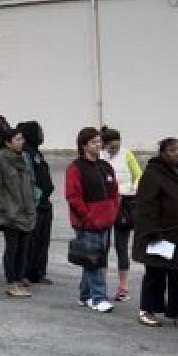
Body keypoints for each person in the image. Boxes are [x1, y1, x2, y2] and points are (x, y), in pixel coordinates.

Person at [132, 137, 178, 328]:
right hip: (161, 234)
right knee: (155, 274)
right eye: (172, 150)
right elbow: (146, 205)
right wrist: (152, 231)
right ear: (162, 153)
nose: (177, 154)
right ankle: (148, 311)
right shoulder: (153, 174)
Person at [65, 127, 120, 312]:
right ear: (83, 146)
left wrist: (113, 211)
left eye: (99, 142)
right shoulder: (75, 168)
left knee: (93, 258)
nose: (98, 145)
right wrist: (87, 217)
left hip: (106, 221)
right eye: (94, 142)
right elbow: (73, 196)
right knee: (96, 261)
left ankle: (85, 295)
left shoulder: (105, 166)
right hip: (87, 223)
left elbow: (114, 192)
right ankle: (98, 298)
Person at [0, 128, 37, 298]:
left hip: (26, 212)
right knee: (12, 249)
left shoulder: (24, 158)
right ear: (8, 143)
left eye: (22, 139)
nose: (22, 142)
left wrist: (33, 203)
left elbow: (30, 182)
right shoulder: (1, 159)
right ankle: (11, 282)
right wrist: (5, 206)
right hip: (11, 213)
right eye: (18, 139)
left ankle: (19, 278)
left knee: (23, 249)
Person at [102, 127, 142, 303]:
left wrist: (133, 189)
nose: (114, 151)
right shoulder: (100, 156)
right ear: (105, 145)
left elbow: (139, 175)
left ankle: (123, 286)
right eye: (111, 148)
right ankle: (98, 284)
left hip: (124, 203)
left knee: (121, 246)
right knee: (101, 245)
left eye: (117, 147)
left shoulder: (127, 155)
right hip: (104, 204)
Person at [18, 120, 55, 286]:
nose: (42, 135)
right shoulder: (26, 154)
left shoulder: (37, 153)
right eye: (39, 131)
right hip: (35, 204)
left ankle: (38, 272)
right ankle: (24, 272)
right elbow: (29, 181)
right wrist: (37, 198)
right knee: (30, 241)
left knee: (42, 241)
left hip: (45, 204)